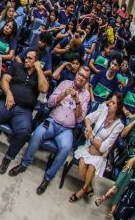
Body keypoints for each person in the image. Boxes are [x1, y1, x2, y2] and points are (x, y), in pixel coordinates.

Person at [8, 66, 92, 195]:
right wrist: (64, 94)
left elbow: (80, 119)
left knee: (66, 149)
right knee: (37, 134)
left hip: (66, 130)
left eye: (85, 77)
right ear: (76, 74)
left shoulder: (86, 96)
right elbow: (50, 103)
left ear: (87, 81)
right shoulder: (65, 84)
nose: (81, 78)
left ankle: (48, 178)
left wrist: (77, 101)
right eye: (80, 74)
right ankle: (24, 164)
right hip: (52, 121)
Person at [69, 93, 123, 203]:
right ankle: (89, 187)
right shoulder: (103, 110)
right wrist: (89, 128)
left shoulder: (119, 125)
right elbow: (88, 117)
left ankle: (83, 190)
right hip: (89, 145)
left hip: (100, 153)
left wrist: (91, 137)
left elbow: (103, 148)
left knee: (93, 166)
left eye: (113, 103)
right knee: (82, 165)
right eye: (110, 101)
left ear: (118, 107)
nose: (109, 104)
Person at [96, 111, 135, 220]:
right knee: (127, 175)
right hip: (125, 154)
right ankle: (111, 206)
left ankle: (107, 194)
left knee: (128, 170)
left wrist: (134, 159)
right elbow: (123, 135)